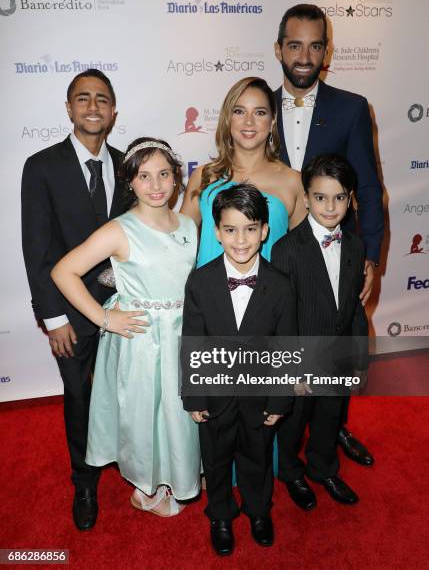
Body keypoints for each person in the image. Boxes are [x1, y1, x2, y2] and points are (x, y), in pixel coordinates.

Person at [51, 138, 201, 518]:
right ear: (129, 182)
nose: (155, 185)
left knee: (177, 411)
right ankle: (147, 484)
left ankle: (177, 472)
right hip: (141, 339)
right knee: (144, 413)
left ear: (176, 178)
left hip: (181, 335)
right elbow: (63, 271)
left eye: (164, 174)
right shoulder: (120, 230)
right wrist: (104, 318)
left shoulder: (188, 224)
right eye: (144, 176)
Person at [274, 3, 384, 465]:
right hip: (277, 255)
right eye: (295, 45)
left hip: (337, 256)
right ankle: (281, 448)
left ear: (327, 51)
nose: (304, 56)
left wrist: (372, 260)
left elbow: (372, 189)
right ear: (279, 49)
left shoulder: (352, 108)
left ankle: (331, 431)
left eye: (314, 46)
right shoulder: (254, 107)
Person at [21, 69, 124, 530]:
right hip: (70, 315)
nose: (93, 107)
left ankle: (128, 462)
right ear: (69, 108)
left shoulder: (127, 166)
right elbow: (37, 248)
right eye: (83, 98)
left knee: (123, 393)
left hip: (121, 312)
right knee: (79, 396)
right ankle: (84, 482)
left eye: (102, 99)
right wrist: (53, 316)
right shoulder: (41, 166)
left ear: (113, 110)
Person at [182, 184, 297, 556]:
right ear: (216, 232)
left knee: (257, 457)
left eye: (250, 228)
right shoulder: (200, 281)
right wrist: (194, 395)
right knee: (215, 460)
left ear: (264, 230)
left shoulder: (281, 286)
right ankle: (219, 514)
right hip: (213, 396)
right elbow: (193, 342)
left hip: (259, 397)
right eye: (230, 230)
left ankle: (259, 510)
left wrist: (279, 400)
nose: (241, 239)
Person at [271, 154, 368, 510]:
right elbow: (280, 317)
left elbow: (354, 308)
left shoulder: (356, 247)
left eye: (339, 197)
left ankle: (323, 466)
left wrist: (358, 360)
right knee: (293, 424)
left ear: (351, 198)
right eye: (321, 197)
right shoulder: (286, 250)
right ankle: (291, 471)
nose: (330, 206)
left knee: (330, 417)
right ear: (307, 198)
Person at [181, 76, 307, 266]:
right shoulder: (203, 177)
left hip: (272, 294)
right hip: (207, 294)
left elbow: (305, 255)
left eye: (260, 112)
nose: (249, 122)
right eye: (239, 111)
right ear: (227, 118)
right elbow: (178, 245)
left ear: (272, 120)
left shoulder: (293, 181)